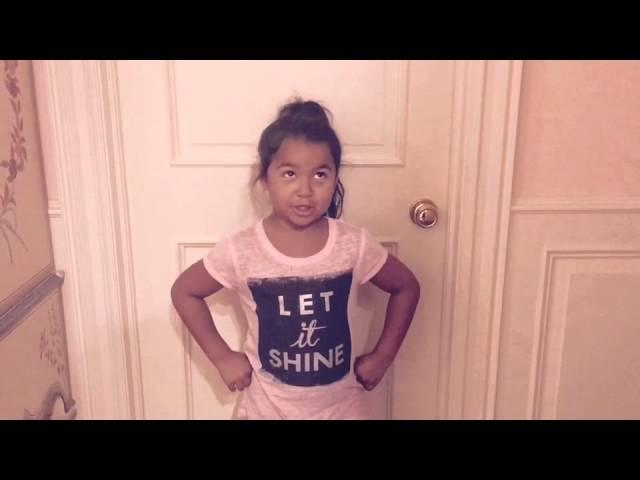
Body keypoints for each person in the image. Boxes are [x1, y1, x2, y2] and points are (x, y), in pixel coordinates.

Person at [171, 98, 420, 419]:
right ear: (265, 179)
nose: (305, 189)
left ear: (335, 178)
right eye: (289, 173)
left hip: (341, 409)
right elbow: (185, 291)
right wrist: (221, 356)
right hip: (266, 409)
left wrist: (382, 357)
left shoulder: (353, 244)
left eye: (320, 175)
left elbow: (406, 287)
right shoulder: (242, 249)